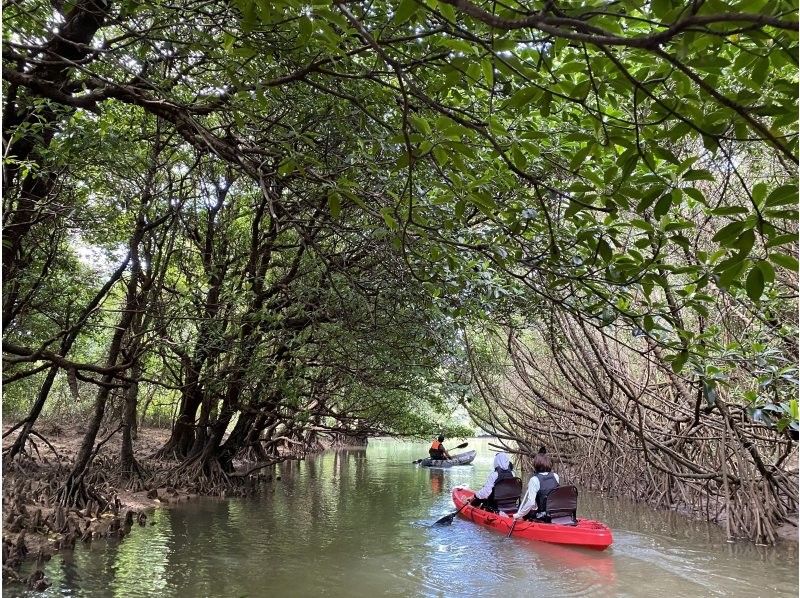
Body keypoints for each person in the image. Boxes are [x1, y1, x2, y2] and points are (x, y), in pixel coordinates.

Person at [513, 448, 560, 520]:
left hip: (543, 516)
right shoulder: (555, 476)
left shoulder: (534, 480)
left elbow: (531, 503)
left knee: (526, 514)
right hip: (556, 513)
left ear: (536, 465)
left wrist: (519, 514)